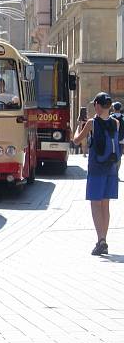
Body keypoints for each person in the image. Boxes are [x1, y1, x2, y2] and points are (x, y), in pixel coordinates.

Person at [73, 92, 120, 255]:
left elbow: (77, 140)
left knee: (95, 203)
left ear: (98, 106)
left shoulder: (92, 123)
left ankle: (100, 240)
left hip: (96, 168)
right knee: (106, 205)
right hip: (111, 169)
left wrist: (79, 125)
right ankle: (104, 239)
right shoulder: (115, 123)